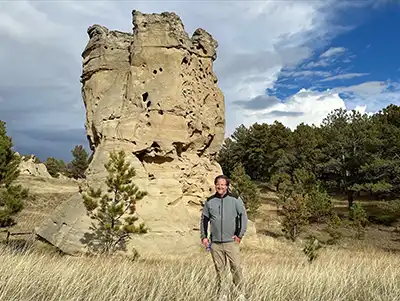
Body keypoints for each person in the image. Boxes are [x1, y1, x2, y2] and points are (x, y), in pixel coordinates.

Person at [200, 174, 248, 301]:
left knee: (236, 267)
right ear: (215, 185)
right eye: (218, 184)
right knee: (220, 269)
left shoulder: (235, 199)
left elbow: (243, 216)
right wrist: (204, 237)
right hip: (215, 243)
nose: (220, 186)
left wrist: (239, 235)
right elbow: (204, 220)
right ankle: (223, 293)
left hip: (231, 242)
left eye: (222, 184)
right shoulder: (210, 201)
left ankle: (240, 293)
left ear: (227, 186)